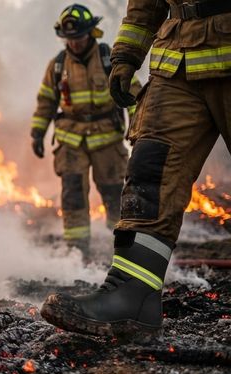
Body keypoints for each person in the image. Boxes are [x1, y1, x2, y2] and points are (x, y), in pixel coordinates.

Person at [42, 0, 231, 341]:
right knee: (149, 176)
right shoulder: (58, 66)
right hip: (177, 59)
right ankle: (132, 295)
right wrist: (127, 55)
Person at [31, 4, 141, 258]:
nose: (75, 43)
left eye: (79, 37)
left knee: (115, 195)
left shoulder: (110, 59)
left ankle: (122, 251)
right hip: (71, 141)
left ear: (91, 33)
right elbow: (46, 101)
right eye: (70, 38)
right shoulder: (58, 65)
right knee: (73, 197)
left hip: (107, 140)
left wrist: (138, 128)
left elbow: (134, 94)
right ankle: (77, 252)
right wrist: (37, 132)